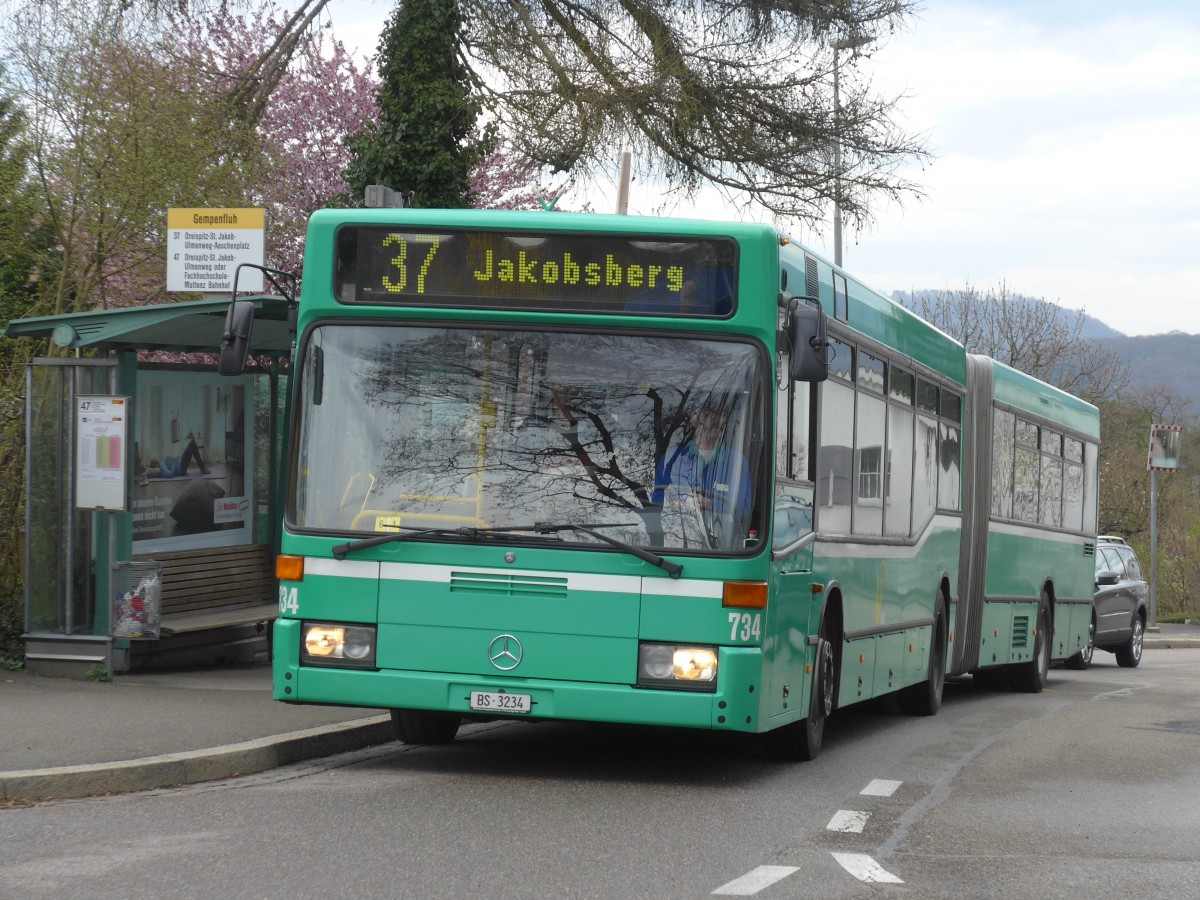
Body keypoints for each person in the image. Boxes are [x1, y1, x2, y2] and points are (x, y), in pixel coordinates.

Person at [654, 403, 751, 546]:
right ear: (695, 423)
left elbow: (743, 506)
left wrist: (710, 504)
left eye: (715, 424)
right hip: (674, 537)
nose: (708, 429)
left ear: (722, 427)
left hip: (721, 542)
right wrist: (680, 502)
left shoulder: (736, 462)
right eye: (703, 422)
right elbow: (656, 499)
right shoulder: (672, 457)